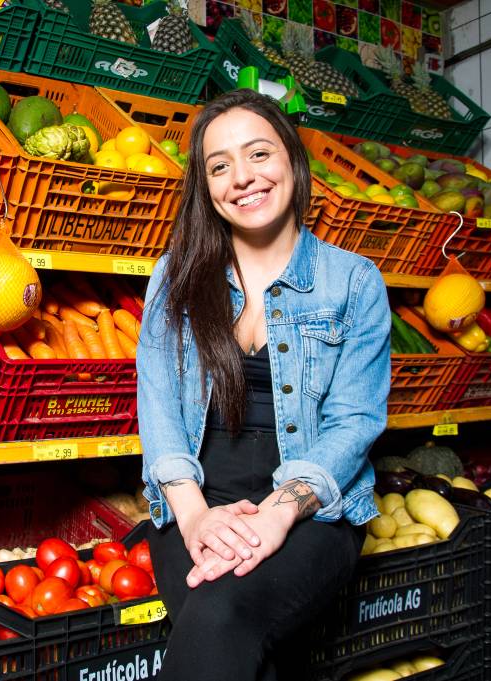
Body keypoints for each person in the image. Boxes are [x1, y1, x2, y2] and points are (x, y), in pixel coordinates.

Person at [136, 89, 391, 681]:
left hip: (312, 509)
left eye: (258, 154)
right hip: (194, 504)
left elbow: (355, 421)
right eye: (219, 166)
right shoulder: (175, 276)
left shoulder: (353, 281)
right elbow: (158, 405)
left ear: (293, 163)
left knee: (220, 610)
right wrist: (196, 517)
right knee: (235, 634)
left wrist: (277, 513)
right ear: (206, 188)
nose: (242, 178)